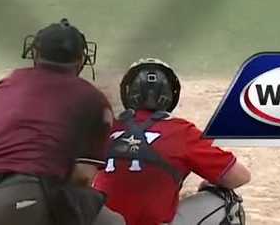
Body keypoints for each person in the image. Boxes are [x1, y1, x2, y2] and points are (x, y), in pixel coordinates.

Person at [0, 18, 124, 225]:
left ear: (35, 53)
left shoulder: (3, 85)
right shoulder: (93, 98)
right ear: (81, 58)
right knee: (112, 222)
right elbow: (83, 177)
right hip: (20, 202)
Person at [94, 59, 250, 225]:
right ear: (170, 95)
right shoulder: (182, 131)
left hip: (100, 221)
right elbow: (239, 176)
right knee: (227, 201)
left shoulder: (105, 127)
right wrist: (210, 184)